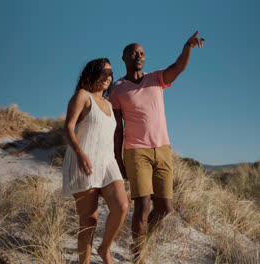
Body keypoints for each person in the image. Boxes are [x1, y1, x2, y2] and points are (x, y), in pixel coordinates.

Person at [109, 31, 205, 263]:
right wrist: (118, 159)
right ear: (124, 58)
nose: (139, 56)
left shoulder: (157, 78)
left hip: (162, 149)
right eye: (134, 52)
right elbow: (117, 129)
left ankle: (143, 239)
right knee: (143, 205)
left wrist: (187, 46)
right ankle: (138, 255)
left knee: (165, 208)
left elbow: (178, 67)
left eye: (142, 53)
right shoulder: (117, 89)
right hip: (135, 151)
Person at [62, 58, 128, 264]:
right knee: (89, 221)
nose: (107, 77)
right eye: (102, 72)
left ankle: (104, 249)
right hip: (84, 161)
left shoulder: (109, 103)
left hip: (107, 162)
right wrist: (80, 154)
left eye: (110, 73)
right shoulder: (83, 96)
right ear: (92, 73)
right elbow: (68, 127)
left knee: (122, 206)